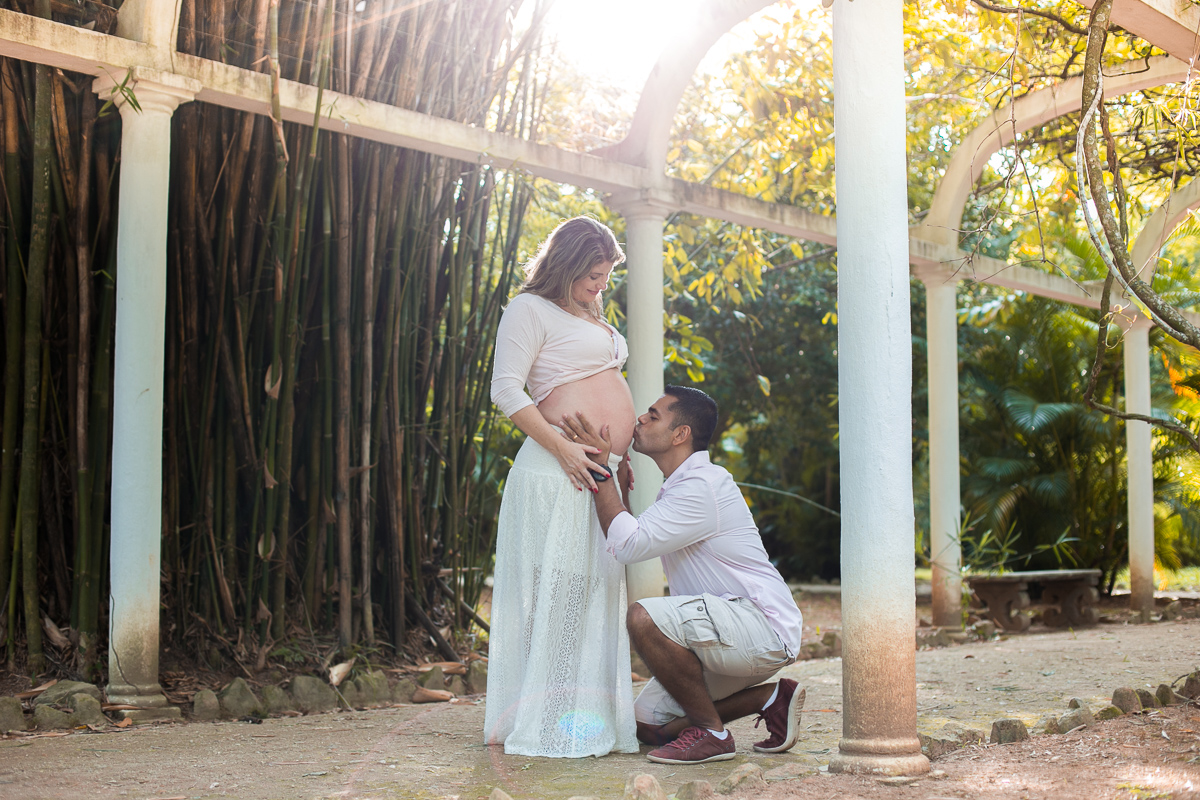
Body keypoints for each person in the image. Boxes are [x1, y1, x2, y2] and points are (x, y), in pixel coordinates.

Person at [560, 385, 806, 765]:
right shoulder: (681, 486)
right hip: (726, 635)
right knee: (646, 726)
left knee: (643, 616)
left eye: (653, 415)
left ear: (680, 434)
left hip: (757, 627)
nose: (641, 418)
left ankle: (712, 735)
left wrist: (602, 470)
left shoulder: (701, 486)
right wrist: (618, 487)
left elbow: (628, 546)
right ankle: (770, 699)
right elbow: (633, 537)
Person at [483, 216, 639, 758]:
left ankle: (583, 718)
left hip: (597, 472)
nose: (601, 285)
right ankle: (544, 722)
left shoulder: (590, 313)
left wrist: (617, 460)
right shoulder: (529, 309)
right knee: (560, 594)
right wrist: (564, 448)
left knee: (593, 593)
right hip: (557, 470)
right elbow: (505, 389)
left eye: (605, 276)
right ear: (567, 264)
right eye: (593, 275)